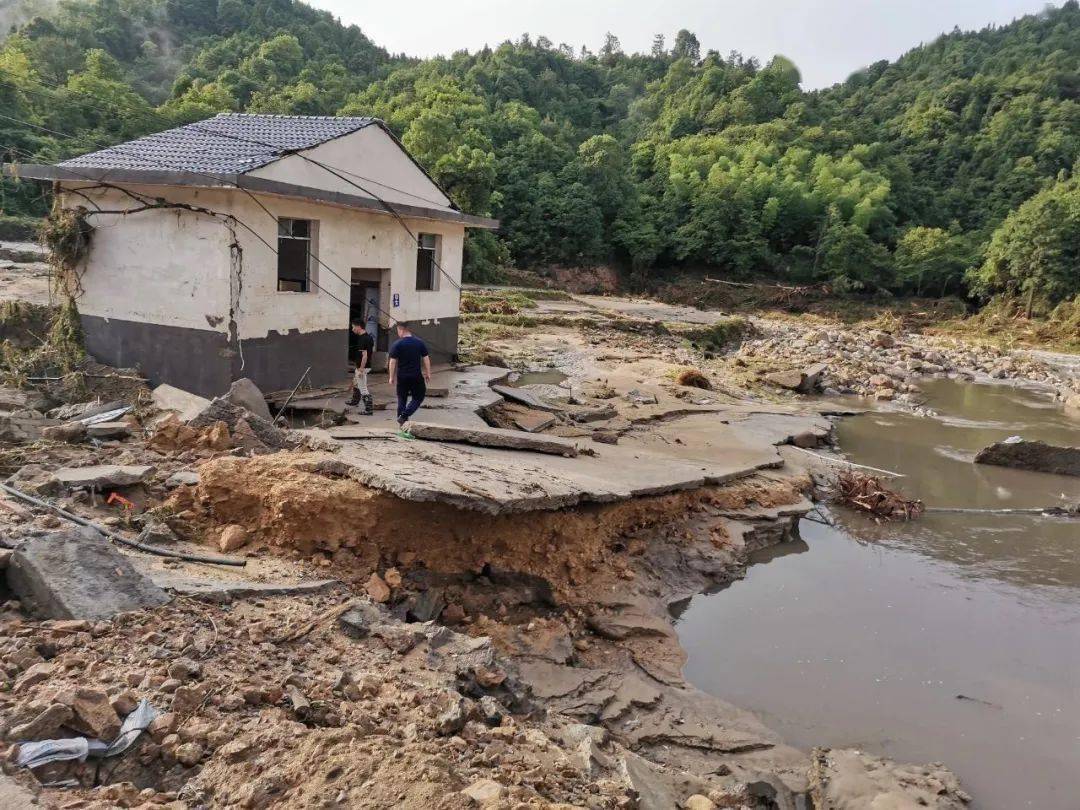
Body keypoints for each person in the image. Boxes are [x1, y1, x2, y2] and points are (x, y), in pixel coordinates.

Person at [387, 321, 431, 427]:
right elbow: (426, 358)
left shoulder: (397, 344)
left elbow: (392, 361)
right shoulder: (419, 342)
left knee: (402, 399)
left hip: (402, 376)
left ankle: (401, 424)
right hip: (416, 376)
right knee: (418, 397)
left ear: (401, 329)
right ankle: (404, 416)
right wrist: (428, 373)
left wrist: (391, 377)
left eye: (397, 330)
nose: (398, 332)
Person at [346, 319, 375, 415]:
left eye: (353, 327)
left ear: (358, 326)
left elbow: (365, 355)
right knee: (356, 383)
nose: (352, 329)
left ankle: (368, 409)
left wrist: (361, 369)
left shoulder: (363, 339)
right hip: (363, 366)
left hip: (362, 367)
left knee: (363, 387)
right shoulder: (369, 337)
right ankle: (355, 401)